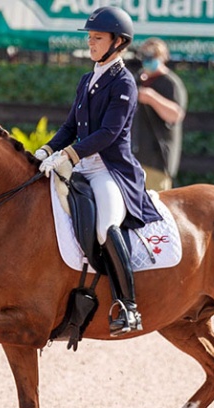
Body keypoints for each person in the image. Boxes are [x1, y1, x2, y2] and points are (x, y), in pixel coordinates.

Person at [35, 6, 162, 336]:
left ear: (118, 42)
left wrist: (69, 155)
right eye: (90, 37)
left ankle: (128, 306)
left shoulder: (124, 84)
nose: (91, 43)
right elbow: (70, 126)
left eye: (97, 38)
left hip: (111, 172)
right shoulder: (86, 80)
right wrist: (46, 150)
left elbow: (108, 133)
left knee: (106, 227)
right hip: (83, 166)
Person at [132, 37, 187, 191]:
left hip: (157, 161)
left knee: (154, 208)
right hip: (135, 158)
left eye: (152, 57)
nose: (148, 61)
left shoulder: (170, 83)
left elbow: (175, 115)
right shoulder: (139, 79)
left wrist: (151, 98)